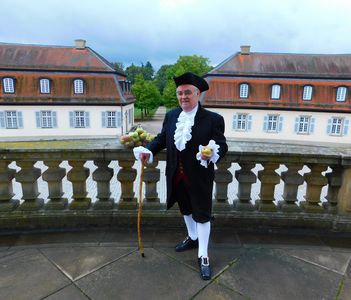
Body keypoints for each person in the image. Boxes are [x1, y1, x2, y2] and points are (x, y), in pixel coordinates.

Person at [133, 72, 228, 280]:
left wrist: (212, 151)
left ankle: (203, 255)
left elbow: (221, 144)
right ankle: (192, 237)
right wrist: (148, 150)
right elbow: (161, 138)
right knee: (185, 207)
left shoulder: (213, 119)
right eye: (179, 93)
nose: (183, 97)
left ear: (198, 94)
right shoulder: (172, 115)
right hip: (176, 173)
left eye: (187, 93)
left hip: (200, 176)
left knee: (202, 214)